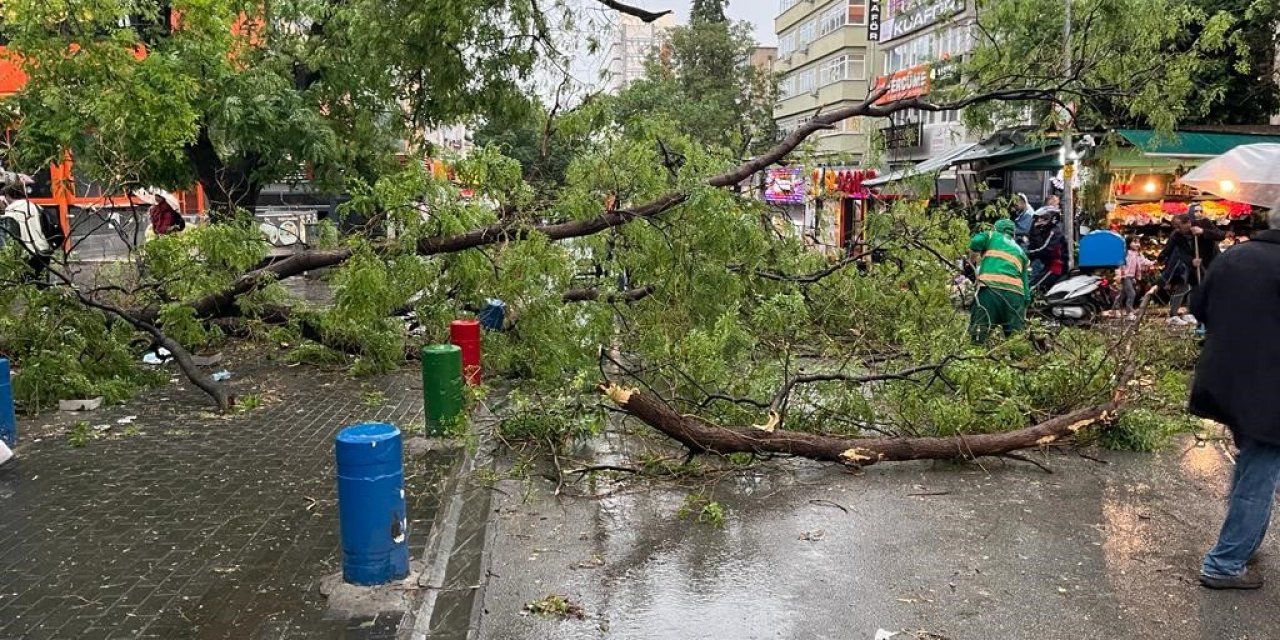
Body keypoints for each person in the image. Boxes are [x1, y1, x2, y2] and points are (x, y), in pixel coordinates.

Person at [1190, 205, 1280, 590]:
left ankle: (1243, 543)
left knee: (1252, 462)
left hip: (1224, 380)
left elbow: (1199, 308)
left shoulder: (1235, 255)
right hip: (1269, 388)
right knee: (1260, 469)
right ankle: (1225, 562)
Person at [967, 219, 1031, 343]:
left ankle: (975, 354)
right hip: (1015, 296)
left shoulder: (991, 235)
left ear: (996, 229)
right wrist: (1024, 309)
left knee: (980, 333)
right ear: (1013, 234)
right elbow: (1026, 290)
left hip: (989, 291)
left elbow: (975, 241)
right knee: (1015, 340)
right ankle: (1018, 359)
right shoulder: (1021, 252)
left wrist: (972, 260)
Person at [1159, 212, 1225, 326]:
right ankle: (1195, 314)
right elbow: (1181, 252)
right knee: (1194, 287)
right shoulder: (1176, 235)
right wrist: (1191, 261)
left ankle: (1215, 313)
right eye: (1175, 227)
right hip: (1195, 264)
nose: (1178, 230)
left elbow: (1221, 235)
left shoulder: (1203, 223)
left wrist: (1203, 232)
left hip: (1211, 260)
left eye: (1180, 227)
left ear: (1188, 223)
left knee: (1213, 286)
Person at [1, 182, 51, 282]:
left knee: (27, 288)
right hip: (43, 249)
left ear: (8, 195)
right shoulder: (36, 207)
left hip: (26, 254)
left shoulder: (10, 213)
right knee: (43, 285)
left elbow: (9, 238)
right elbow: (47, 227)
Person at [1027, 208, 1067, 291]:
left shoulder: (1054, 232)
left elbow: (1043, 249)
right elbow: (1033, 246)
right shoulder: (1045, 231)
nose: (1039, 220)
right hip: (1047, 266)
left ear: (1052, 219)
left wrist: (1025, 253)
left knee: (1032, 289)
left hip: (1055, 267)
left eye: (1043, 218)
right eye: (1039, 218)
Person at [1113, 236, 1153, 317]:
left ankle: (1115, 308)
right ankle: (1129, 312)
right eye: (1135, 242)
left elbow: (1143, 261)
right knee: (1132, 294)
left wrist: (1152, 263)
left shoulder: (1138, 254)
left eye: (1138, 242)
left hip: (1132, 277)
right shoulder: (1125, 253)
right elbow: (1119, 264)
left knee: (1123, 294)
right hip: (1125, 276)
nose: (1137, 244)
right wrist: (1119, 274)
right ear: (1129, 243)